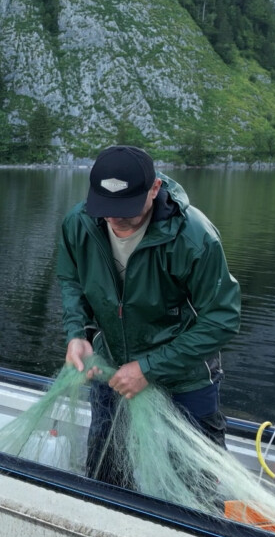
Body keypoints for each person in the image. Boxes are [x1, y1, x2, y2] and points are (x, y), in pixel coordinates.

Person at [56, 145, 241, 487]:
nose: (115, 219)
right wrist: (77, 333)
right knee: (105, 475)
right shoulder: (78, 224)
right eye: (107, 209)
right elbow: (71, 281)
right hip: (112, 368)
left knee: (195, 485)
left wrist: (148, 368)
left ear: (155, 189)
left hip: (186, 379)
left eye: (126, 210)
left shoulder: (194, 237)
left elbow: (222, 319)